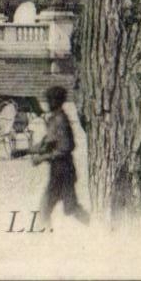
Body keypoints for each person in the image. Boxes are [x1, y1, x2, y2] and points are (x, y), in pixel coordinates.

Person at [32, 84, 90, 225]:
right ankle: (92, 224)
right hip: (60, 170)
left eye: (49, 100)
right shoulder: (55, 119)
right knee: (70, 208)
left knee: (46, 208)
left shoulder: (60, 121)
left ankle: (44, 239)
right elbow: (47, 143)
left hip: (63, 170)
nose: (47, 104)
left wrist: (43, 157)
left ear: (55, 101)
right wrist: (26, 151)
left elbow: (65, 148)